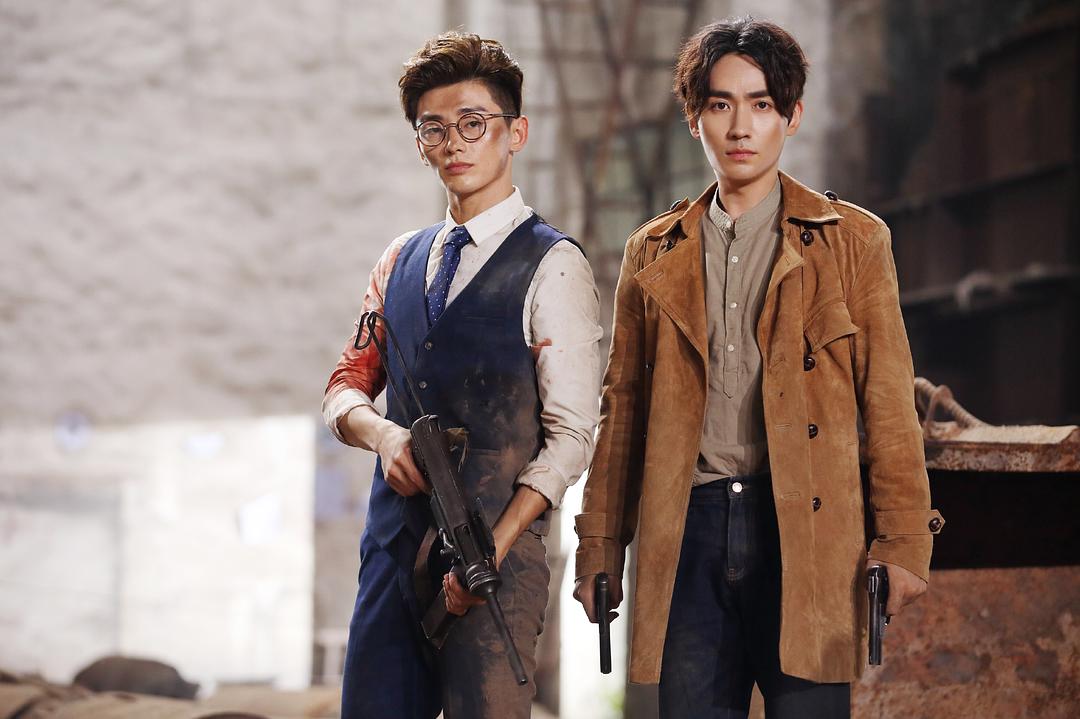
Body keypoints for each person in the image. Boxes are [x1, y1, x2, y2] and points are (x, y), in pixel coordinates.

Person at [572, 17, 944, 719]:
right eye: (721, 105)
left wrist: (902, 539)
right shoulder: (653, 252)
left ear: (791, 116)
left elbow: (889, 401)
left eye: (762, 104)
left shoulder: (854, 242)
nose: (741, 126)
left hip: (807, 525)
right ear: (695, 119)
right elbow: (621, 411)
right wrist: (598, 544)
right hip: (689, 529)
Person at [323, 31, 602, 719]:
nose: (454, 143)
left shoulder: (554, 265)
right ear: (420, 143)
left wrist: (493, 551)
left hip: (494, 561)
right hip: (392, 554)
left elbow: (572, 437)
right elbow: (343, 388)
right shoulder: (398, 259)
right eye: (434, 129)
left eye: (473, 123)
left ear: (516, 133)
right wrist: (383, 436)